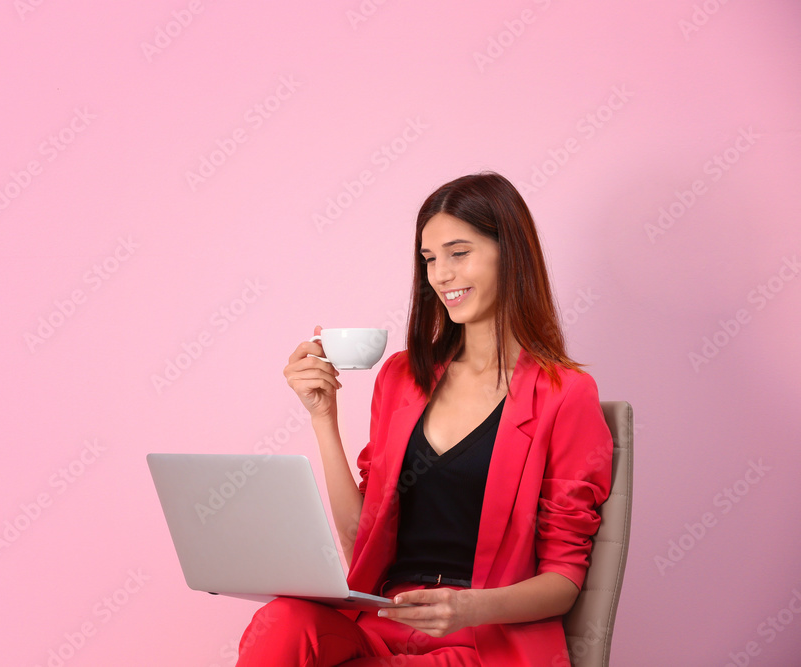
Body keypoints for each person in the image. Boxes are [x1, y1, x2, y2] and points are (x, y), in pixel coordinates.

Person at [235, 172, 613, 666]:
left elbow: (563, 580)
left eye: (459, 253)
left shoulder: (565, 394)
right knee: (282, 621)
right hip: (383, 623)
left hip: (480, 640)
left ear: (510, 253)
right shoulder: (402, 377)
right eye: (430, 259)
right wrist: (324, 419)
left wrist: (470, 608)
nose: (440, 275)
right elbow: (361, 543)